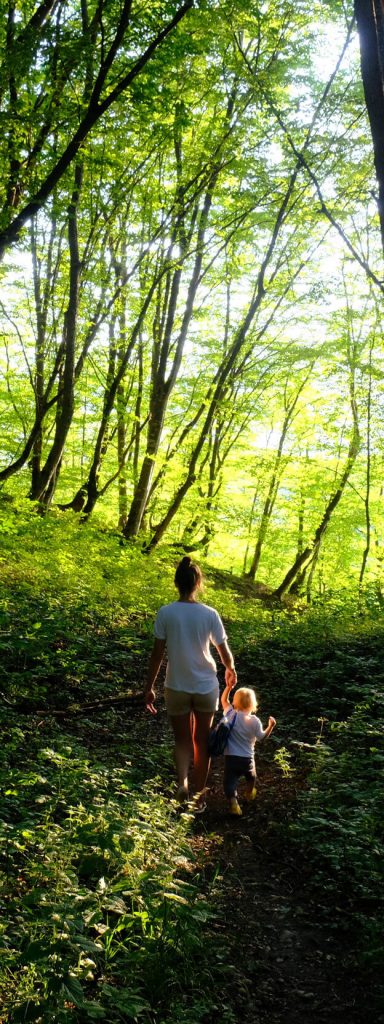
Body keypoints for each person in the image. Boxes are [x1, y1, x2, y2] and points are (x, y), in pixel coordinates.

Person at [144, 556, 237, 811]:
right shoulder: (209, 614)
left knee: (182, 740)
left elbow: (157, 655)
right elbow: (224, 652)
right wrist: (230, 670)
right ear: (197, 583)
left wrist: (148, 688)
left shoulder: (166, 612)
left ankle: (182, 784)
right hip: (206, 686)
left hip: (176, 685)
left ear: (177, 583)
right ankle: (198, 797)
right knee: (202, 741)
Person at [221, 681, 276, 816]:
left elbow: (223, 700)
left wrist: (228, 687)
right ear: (253, 704)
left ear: (235, 702)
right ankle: (249, 791)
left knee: (229, 781)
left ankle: (234, 803)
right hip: (247, 759)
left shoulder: (230, 714)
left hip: (231, 757)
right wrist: (271, 726)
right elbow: (262, 737)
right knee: (251, 776)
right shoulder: (255, 720)